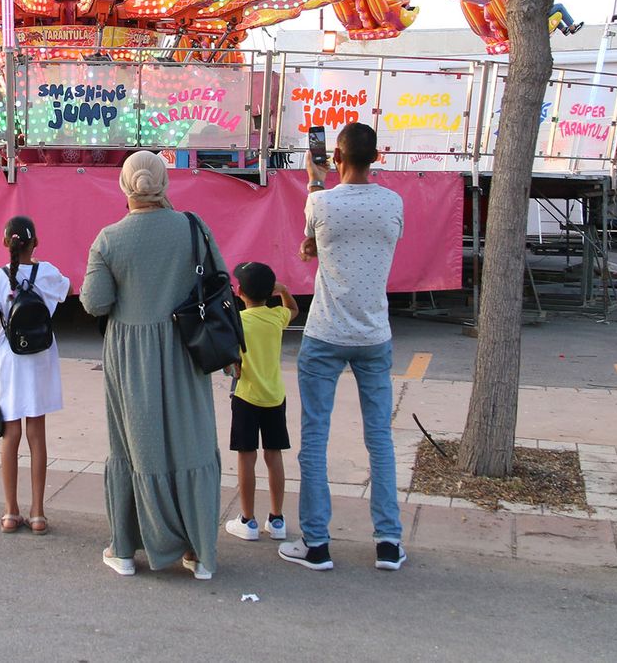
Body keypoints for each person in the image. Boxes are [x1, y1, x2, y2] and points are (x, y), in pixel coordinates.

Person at [82, 150, 224, 581]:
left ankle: (125, 550)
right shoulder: (193, 227)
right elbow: (220, 281)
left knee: (132, 447)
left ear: (125, 186)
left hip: (130, 356)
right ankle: (198, 553)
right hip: (186, 349)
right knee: (191, 443)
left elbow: (95, 303)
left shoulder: (109, 239)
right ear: (164, 183)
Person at [280, 122, 407, 573]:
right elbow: (367, 245)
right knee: (380, 439)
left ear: (336, 157)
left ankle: (316, 543)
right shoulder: (393, 203)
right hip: (374, 334)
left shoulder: (321, 201)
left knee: (315, 438)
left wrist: (315, 180)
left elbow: (315, 235)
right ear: (376, 157)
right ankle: (388, 541)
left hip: (325, 333)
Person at [0, 215, 70, 535]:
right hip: (41, 357)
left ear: (6, 243)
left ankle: (10, 511)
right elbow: (68, 289)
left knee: (10, 433)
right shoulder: (48, 272)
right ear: (36, 243)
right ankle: (38, 513)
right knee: (37, 434)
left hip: (10, 361)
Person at [223, 261, 292, 544]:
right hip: (275, 396)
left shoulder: (238, 322)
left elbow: (229, 361)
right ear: (270, 292)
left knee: (246, 457)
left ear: (240, 292)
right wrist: (284, 291)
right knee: (274, 456)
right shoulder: (277, 317)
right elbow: (293, 310)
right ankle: (277, 519)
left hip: (246, 396)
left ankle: (247, 519)